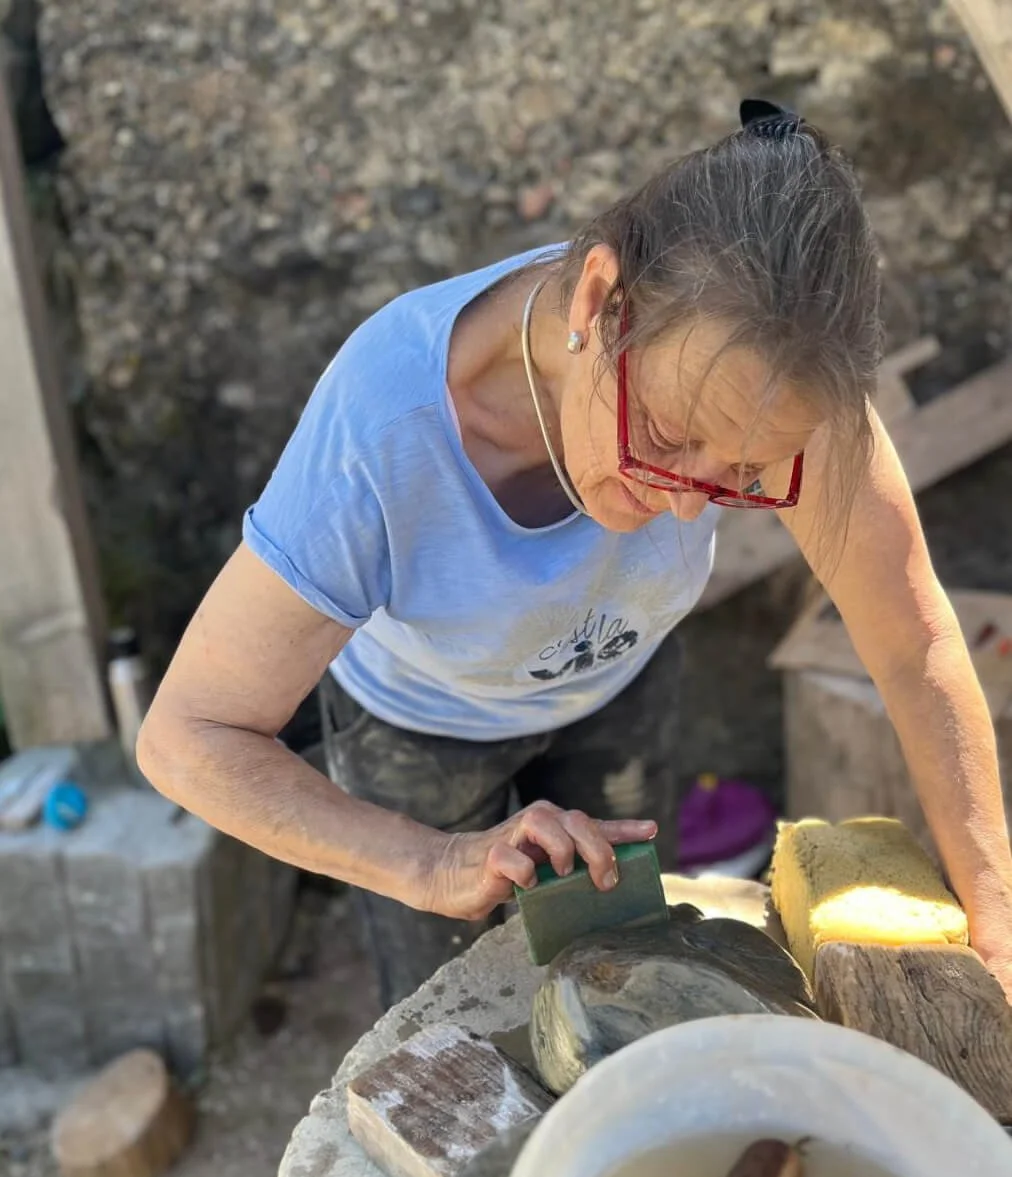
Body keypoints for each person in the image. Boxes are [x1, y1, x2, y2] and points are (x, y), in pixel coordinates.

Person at [137, 100, 1012, 1009]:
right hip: (419, 728)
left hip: (615, 681)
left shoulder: (783, 383)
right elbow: (187, 738)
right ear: (598, 301)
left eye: (744, 472)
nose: (682, 501)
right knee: (460, 1016)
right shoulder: (384, 431)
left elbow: (916, 648)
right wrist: (434, 862)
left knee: (632, 981)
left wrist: (998, 927)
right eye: (668, 435)